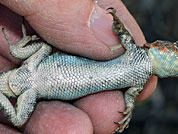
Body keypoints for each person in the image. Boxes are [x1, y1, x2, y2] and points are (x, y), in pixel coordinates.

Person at [0, 0, 157, 133]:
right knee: (45, 49)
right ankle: (16, 50)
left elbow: (130, 96)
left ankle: (16, 51)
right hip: (33, 71)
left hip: (32, 87)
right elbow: (124, 35)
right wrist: (118, 26)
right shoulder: (137, 52)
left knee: (19, 119)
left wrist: (129, 109)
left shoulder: (140, 82)